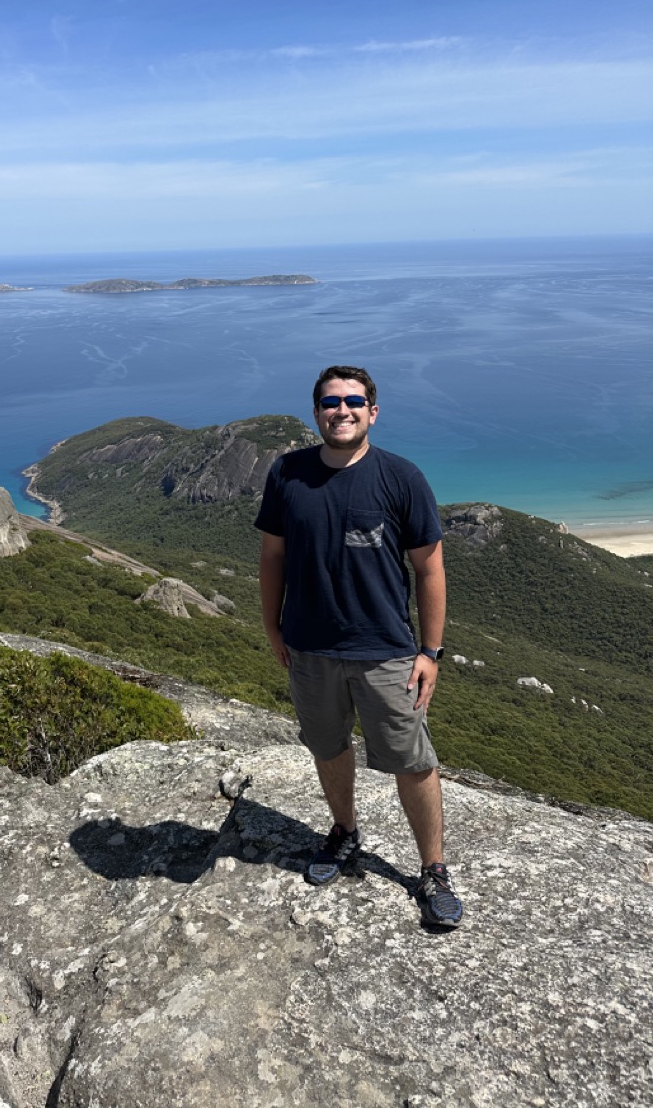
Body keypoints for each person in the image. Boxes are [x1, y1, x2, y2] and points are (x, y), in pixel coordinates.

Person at [255, 364, 462, 928]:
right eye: (330, 402)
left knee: (412, 762)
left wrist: (431, 652)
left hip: (387, 651)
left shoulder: (400, 478)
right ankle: (345, 833)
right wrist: (272, 627)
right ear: (316, 411)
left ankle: (433, 868)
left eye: (353, 401)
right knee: (327, 746)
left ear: (372, 411)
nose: (340, 410)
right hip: (310, 649)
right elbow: (272, 557)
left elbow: (431, 568)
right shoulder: (288, 474)